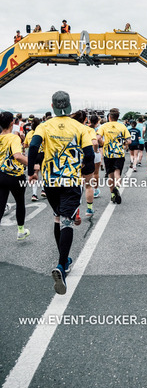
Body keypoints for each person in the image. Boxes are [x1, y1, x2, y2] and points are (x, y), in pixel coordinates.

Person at [27, 92, 94, 294]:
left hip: (50, 181)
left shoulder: (44, 125)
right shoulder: (80, 127)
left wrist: (31, 172)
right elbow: (89, 154)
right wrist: (87, 170)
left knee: (57, 218)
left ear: (52, 106)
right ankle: (61, 266)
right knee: (67, 221)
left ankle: (64, 261)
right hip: (71, 180)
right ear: (70, 105)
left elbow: (33, 147)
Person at [0, 111, 30, 240]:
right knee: (20, 202)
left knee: (1, 205)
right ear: (12, 122)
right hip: (15, 175)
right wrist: (32, 164)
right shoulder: (14, 138)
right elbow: (18, 156)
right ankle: (21, 231)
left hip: (1, 175)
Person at [97, 108, 131, 204]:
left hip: (108, 153)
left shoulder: (104, 126)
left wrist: (102, 143)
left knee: (110, 175)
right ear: (117, 117)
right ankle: (117, 187)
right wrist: (124, 144)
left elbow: (97, 137)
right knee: (117, 173)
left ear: (109, 117)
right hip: (119, 153)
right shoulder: (122, 126)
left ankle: (112, 194)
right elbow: (129, 141)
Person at [71, 110, 98, 218]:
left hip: (73, 160)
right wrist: (95, 151)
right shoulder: (89, 129)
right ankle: (89, 208)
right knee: (88, 185)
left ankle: (75, 211)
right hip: (87, 157)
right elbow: (94, 142)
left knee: (74, 186)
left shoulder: (70, 129)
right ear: (86, 119)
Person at [24, 117, 43, 201]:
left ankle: (34, 194)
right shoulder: (42, 132)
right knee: (44, 173)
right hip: (42, 154)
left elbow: (25, 145)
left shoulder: (29, 134)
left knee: (34, 174)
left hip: (33, 155)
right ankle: (44, 190)